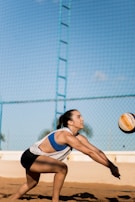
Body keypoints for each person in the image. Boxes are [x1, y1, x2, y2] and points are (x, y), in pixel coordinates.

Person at [10, 109, 120, 202]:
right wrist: (110, 167)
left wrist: (112, 165)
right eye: (78, 117)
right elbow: (90, 153)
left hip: (35, 157)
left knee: (31, 183)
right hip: (30, 157)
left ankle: (11, 199)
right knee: (62, 168)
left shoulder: (79, 137)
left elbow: (97, 151)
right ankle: (55, 200)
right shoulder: (66, 136)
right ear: (70, 122)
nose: (82, 119)